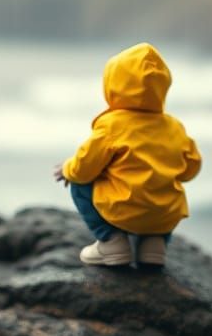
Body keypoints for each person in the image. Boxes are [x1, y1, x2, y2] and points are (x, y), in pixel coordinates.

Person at [54, 43, 201, 268]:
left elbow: (85, 167)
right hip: (163, 216)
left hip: (122, 212)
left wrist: (67, 169)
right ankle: (154, 245)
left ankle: (112, 242)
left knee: (79, 184)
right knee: (166, 190)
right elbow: (190, 169)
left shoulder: (112, 126)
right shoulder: (174, 127)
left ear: (113, 85)